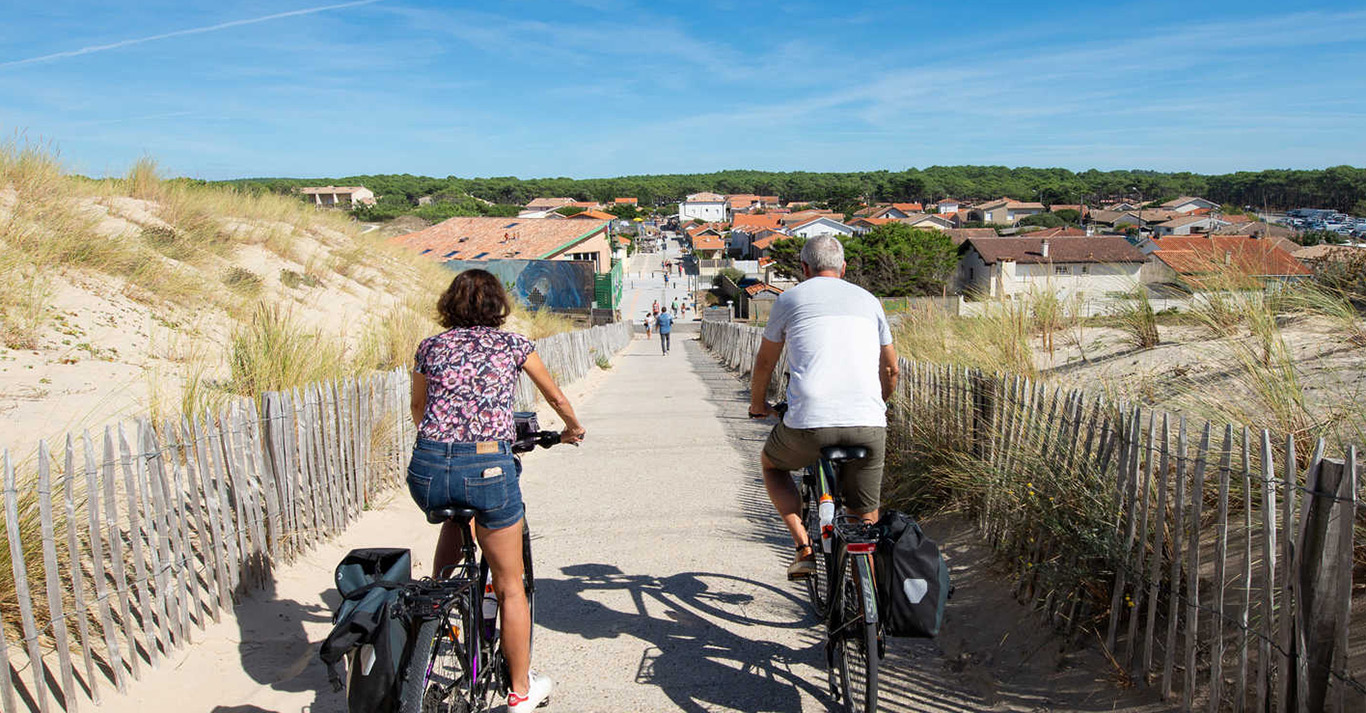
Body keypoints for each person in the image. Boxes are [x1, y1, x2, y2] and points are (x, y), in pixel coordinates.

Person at [408, 269, 585, 711]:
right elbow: (556, 398)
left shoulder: (429, 346)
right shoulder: (513, 345)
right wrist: (572, 428)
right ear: (497, 305)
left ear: (450, 303)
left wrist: (445, 450)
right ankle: (520, 691)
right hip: (487, 465)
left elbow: (418, 407)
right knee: (510, 586)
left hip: (427, 468)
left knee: (454, 517)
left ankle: (439, 597)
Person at [746, 236, 900, 580]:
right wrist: (877, 405)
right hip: (869, 421)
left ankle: (803, 548)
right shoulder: (869, 300)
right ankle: (870, 614)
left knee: (771, 465)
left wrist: (758, 405)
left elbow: (765, 362)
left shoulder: (790, 299)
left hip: (809, 422)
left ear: (804, 269)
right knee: (865, 520)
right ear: (843, 268)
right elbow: (891, 369)